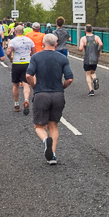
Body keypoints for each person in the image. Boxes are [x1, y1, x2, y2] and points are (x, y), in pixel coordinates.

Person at [26, 33, 74, 164]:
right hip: (58, 94)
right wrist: (62, 87)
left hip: (41, 94)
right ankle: (52, 155)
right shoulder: (62, 58)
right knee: (53, 125)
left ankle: (45, 140)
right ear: (56, 44)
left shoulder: (36, 57)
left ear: (42, 43)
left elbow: (29, 75)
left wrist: (34, 86)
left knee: (39, 126)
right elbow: (69, 78)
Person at [6, 24, 36, 115]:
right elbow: (34, 53)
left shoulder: (13, 41)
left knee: (15, 84)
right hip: (27, 63)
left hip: (16, 63)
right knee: (26, 84)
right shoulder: (29, 40)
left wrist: (10, 58)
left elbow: (8, 52)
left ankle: (16, 103)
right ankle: (26, 100)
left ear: (15, 32)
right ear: (23, 32)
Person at [78, 24, 102, 95]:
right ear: (92, 30)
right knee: (93, 72)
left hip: (87, 58)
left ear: (85, 30)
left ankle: (91, 90)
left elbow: (80, 48)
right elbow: (101, 44)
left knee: (88, 73)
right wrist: (98, 50)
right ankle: (95, 79)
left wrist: (81, 48)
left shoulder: (83, 38)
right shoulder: (96, 37)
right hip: (95, 57)